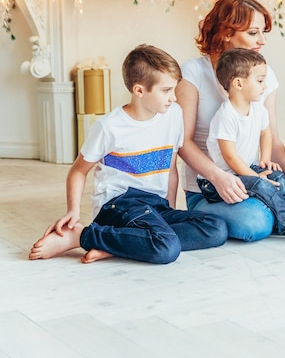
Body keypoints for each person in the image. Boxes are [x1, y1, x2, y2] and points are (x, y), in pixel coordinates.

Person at [29, 44, 228, 264]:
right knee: (166, 248)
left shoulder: (174, 115)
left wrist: (166, 212)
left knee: (216, 228)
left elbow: (171, 170)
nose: (173, 97)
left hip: (154, 204)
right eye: (166, 90)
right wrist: (73, 212)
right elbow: (78, 171)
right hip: (118, 205)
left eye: (175, 89)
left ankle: (121, 245)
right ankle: (81, 235)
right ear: (139, 90)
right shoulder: (110, 126)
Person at [177, 0, 285, 242]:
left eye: (263, 32)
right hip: (211, 187)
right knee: (255, 223)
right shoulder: (193, 72)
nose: (262, 41)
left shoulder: (264, 75)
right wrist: (219, 177)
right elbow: (183, 142)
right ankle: (263, 216)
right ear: (226, 32)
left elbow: (271, 136)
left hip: (255, 177)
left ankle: (279, 215)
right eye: (254, 33)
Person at [197, 48, 285, 237]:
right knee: (261, 185)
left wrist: (264, 161)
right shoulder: (226, 116)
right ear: (239, 83)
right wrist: (256, 177)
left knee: (278, 178)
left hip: (245, 170)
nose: (265, 86)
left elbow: (266, 133)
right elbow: (230, 157)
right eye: (260, 80)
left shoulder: (258, 109)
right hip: (219, 181)